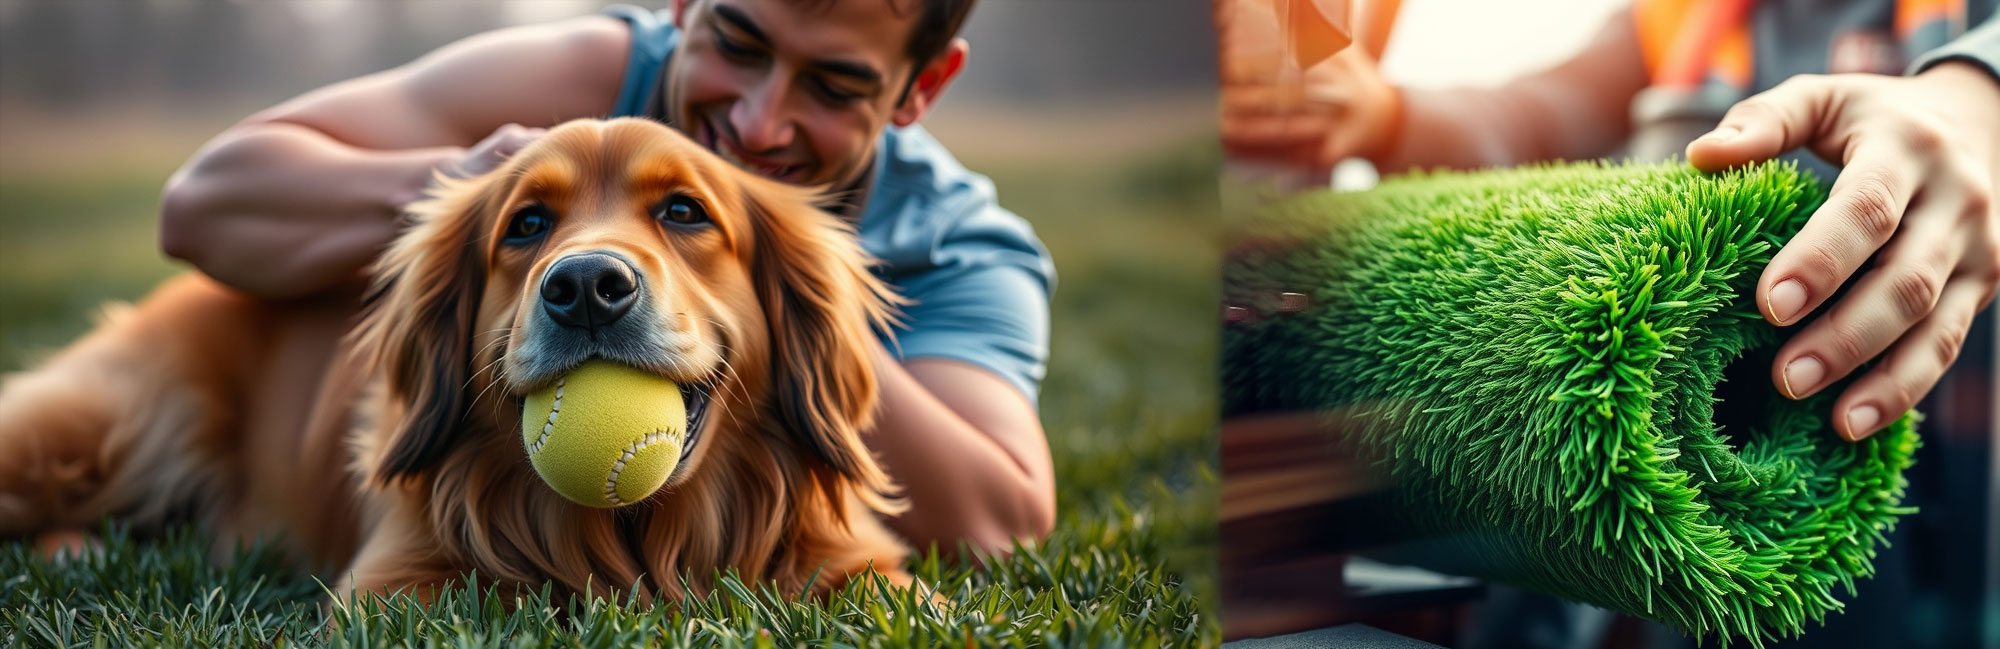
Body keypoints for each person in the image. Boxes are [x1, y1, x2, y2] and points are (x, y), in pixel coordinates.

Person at [156, 0, 1056, 557]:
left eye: (832, 86)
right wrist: (469, 188)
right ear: (683, 4)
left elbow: (1001, 523)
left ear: (919, 89)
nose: (755, 121)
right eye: (737, 42)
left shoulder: (964, 248)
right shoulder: (580, 76)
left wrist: (795, 294)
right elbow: (201, 206)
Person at [1224, 0, 2000, 445]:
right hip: (1684, 450)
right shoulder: (1678, 18)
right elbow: (1541, 119)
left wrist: (1978, 96)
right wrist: (1388, 118)